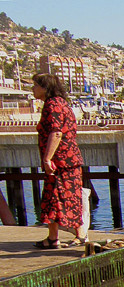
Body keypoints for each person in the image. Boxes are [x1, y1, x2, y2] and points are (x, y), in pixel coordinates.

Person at [31, 73, 84, 248]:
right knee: (58, 197)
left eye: (36, 85)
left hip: (61, 161)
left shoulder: (52, 105)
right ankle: (54, 238)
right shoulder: (61, 103)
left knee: (60, 196)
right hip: (68, 159)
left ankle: (77, 235)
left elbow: (56, 132)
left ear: (45, 88)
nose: (33, 88)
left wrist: (47, 158)